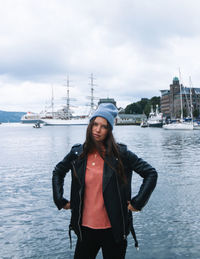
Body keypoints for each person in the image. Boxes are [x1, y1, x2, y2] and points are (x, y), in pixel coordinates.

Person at [52, 103, 158, 259]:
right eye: (95, 124)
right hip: (85, 230)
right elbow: (58, 172)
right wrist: (60, 200)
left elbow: (151, 173)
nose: (97, 129)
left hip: (114, 230)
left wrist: (137, 203)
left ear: (109, 130)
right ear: (90, 125)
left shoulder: (121, 154)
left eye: (104, 126)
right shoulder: (77, 153)